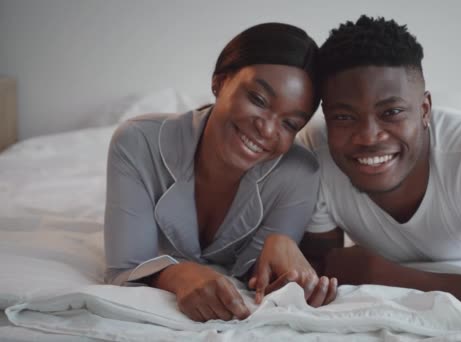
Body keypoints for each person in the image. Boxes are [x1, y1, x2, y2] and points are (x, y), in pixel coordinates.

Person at [297, 15, 461, 314]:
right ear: (325, 116)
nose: (368, 137)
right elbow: (325, 266)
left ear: (424, 110)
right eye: (343, 117)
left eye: (391, 112)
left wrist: (380, 274)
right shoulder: (314, 152)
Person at [104, 22, 337, 323]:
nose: (266, 129)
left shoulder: (299, 172)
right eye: (258, 99)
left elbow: (256, 277)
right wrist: (179, 274)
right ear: (220, 81)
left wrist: (283, 252)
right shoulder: (137, 142)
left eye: (290, 123)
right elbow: (124, 266)